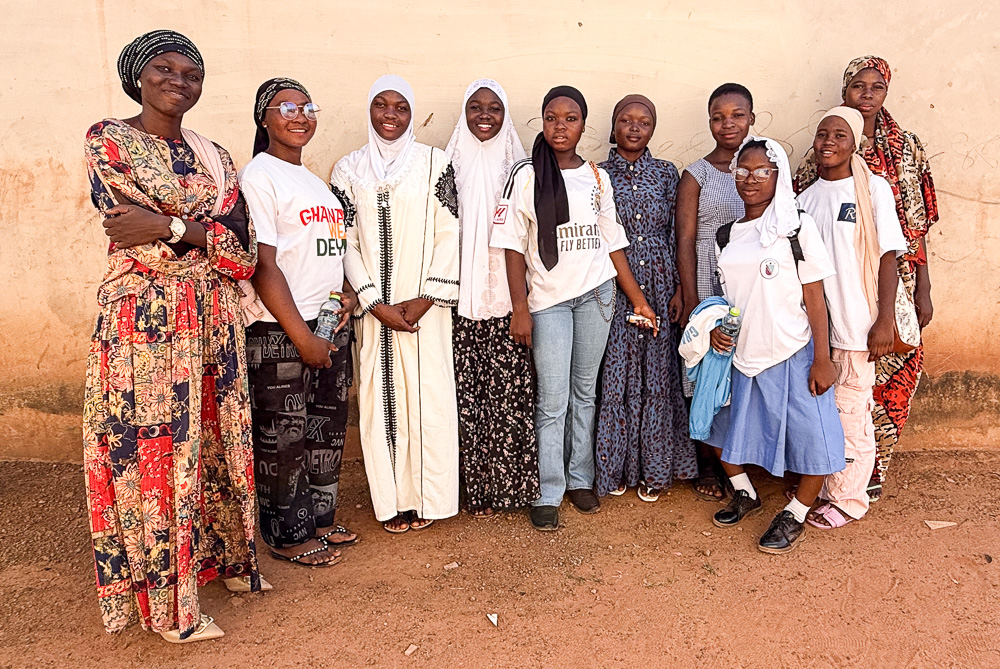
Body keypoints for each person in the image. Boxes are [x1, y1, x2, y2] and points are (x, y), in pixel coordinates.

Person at [83, 30, 259, 643]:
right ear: (137, 74)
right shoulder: (109, 139)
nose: (179, 81)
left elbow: (244, 253)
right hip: (145, 326)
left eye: (192, 73)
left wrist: (170, 224)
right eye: (164, 68)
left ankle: (227, 561)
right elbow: (126, 227)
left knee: (216, 444)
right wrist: (200, 231)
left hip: (211, 317)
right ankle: (168, 608)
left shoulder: (215, 153)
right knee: (157, 455)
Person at [491, 86, 656, 531]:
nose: (560, 126)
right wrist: (519, 308)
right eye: (551, 117)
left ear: (584, 125)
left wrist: (637, 297)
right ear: (541, 123)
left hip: (597, 295)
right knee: (552, 399)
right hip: (548, 301)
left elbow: (613, 240)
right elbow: (511, 244)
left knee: (586, 393)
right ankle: (549, 489)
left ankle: (580, 479)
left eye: (570, 118)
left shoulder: (596, 177)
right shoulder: (524, 174)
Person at [795, 56, 937, 502]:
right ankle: (831, 480)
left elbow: (910, 231)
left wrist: (910, 300)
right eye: (859, 85)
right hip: (828, 314)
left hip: (882, 296)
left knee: (865, 398)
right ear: (846, 92)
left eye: (877, 85)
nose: (868, 93)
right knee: (838, 404)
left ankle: (858, 485)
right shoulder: (812, 183)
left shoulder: (899, 157)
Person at [331, 75, 460, 534]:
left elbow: (450, 232)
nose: (390, 115)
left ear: (412, 114)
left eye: (401, 107)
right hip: (376, 311)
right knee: (380, 399)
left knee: (428, 398)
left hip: (426, 309)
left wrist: (426, 297)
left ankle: (430, 497)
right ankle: (394, 502)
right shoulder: (348, 170)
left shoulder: (434, 164)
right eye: (381, 105)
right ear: (369, 110)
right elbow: (343, 240)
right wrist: (372, 301)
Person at [704, 136, 844, 554]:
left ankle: (796, 514)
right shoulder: (727, 235)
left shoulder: (797, 226)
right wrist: (715, 329)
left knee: (814, 438)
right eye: (742, 172)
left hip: (791, 350)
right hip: (740, 354)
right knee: (718, 430)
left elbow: (814, 296)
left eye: (761, 171)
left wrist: (822, 357)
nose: (750, 180)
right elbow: (728, 298)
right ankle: (744, 490)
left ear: (778, 175)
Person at [240, 78, 359, 565]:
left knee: (326, 430)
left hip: (328, 322)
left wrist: (347, 296)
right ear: (263, 118)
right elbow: (264, 265)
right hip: (281, 329)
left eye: (308, 106)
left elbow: (328, 253)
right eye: (286, 106)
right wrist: (302, 336)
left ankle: (320, 518)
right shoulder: (259, 176)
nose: (300, 115)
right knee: (282, 438)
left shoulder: (316, 184)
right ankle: (288, 535)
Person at [797, 108, 906, 528]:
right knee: (825, 413)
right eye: (822, 133)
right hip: (821, 331)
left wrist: (883, 322)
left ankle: (849, 499)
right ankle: (826, 486)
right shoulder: (805, 200)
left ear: (854, 142)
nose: (828, 142)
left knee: (851, 412)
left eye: (839, 135)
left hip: (859, 326)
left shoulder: (872, 190)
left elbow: (888, 256)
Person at [594, 94, 697, 501]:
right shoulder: (596, 174)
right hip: (614, 279)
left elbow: (676, 232)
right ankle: (617, 467)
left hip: (658, 277)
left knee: (657, 372)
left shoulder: (667, 173)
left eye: (644, 121)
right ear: (614, 126)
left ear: (653, 129)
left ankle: (654, 469)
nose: (634, 128)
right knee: (615, 372)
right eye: (625, 120)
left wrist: (676, 287)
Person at [444, 79, 539, 516]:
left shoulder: (522, 169)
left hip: (510, 301)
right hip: (459, 301)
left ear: (506, 116)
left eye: (495, 108)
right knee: (468, 396)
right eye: (476, 107)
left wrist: (523, 305)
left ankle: (512, 489)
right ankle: (475, 491)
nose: (485, 115)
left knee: (511, 396)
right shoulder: (445, 167)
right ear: (464, 113)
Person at [675, 84, 754, 502]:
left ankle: (739, 456)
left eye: (737, 115)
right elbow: (685, 239)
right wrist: (690, 297)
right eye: (718, 117)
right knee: (708, 366)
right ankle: (707, 459)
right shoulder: (697, 173)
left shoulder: (763, 165)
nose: (728, 124)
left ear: (752, 119)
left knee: (744, 365)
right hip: (707, 279)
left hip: (751, 282)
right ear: (709, 122)